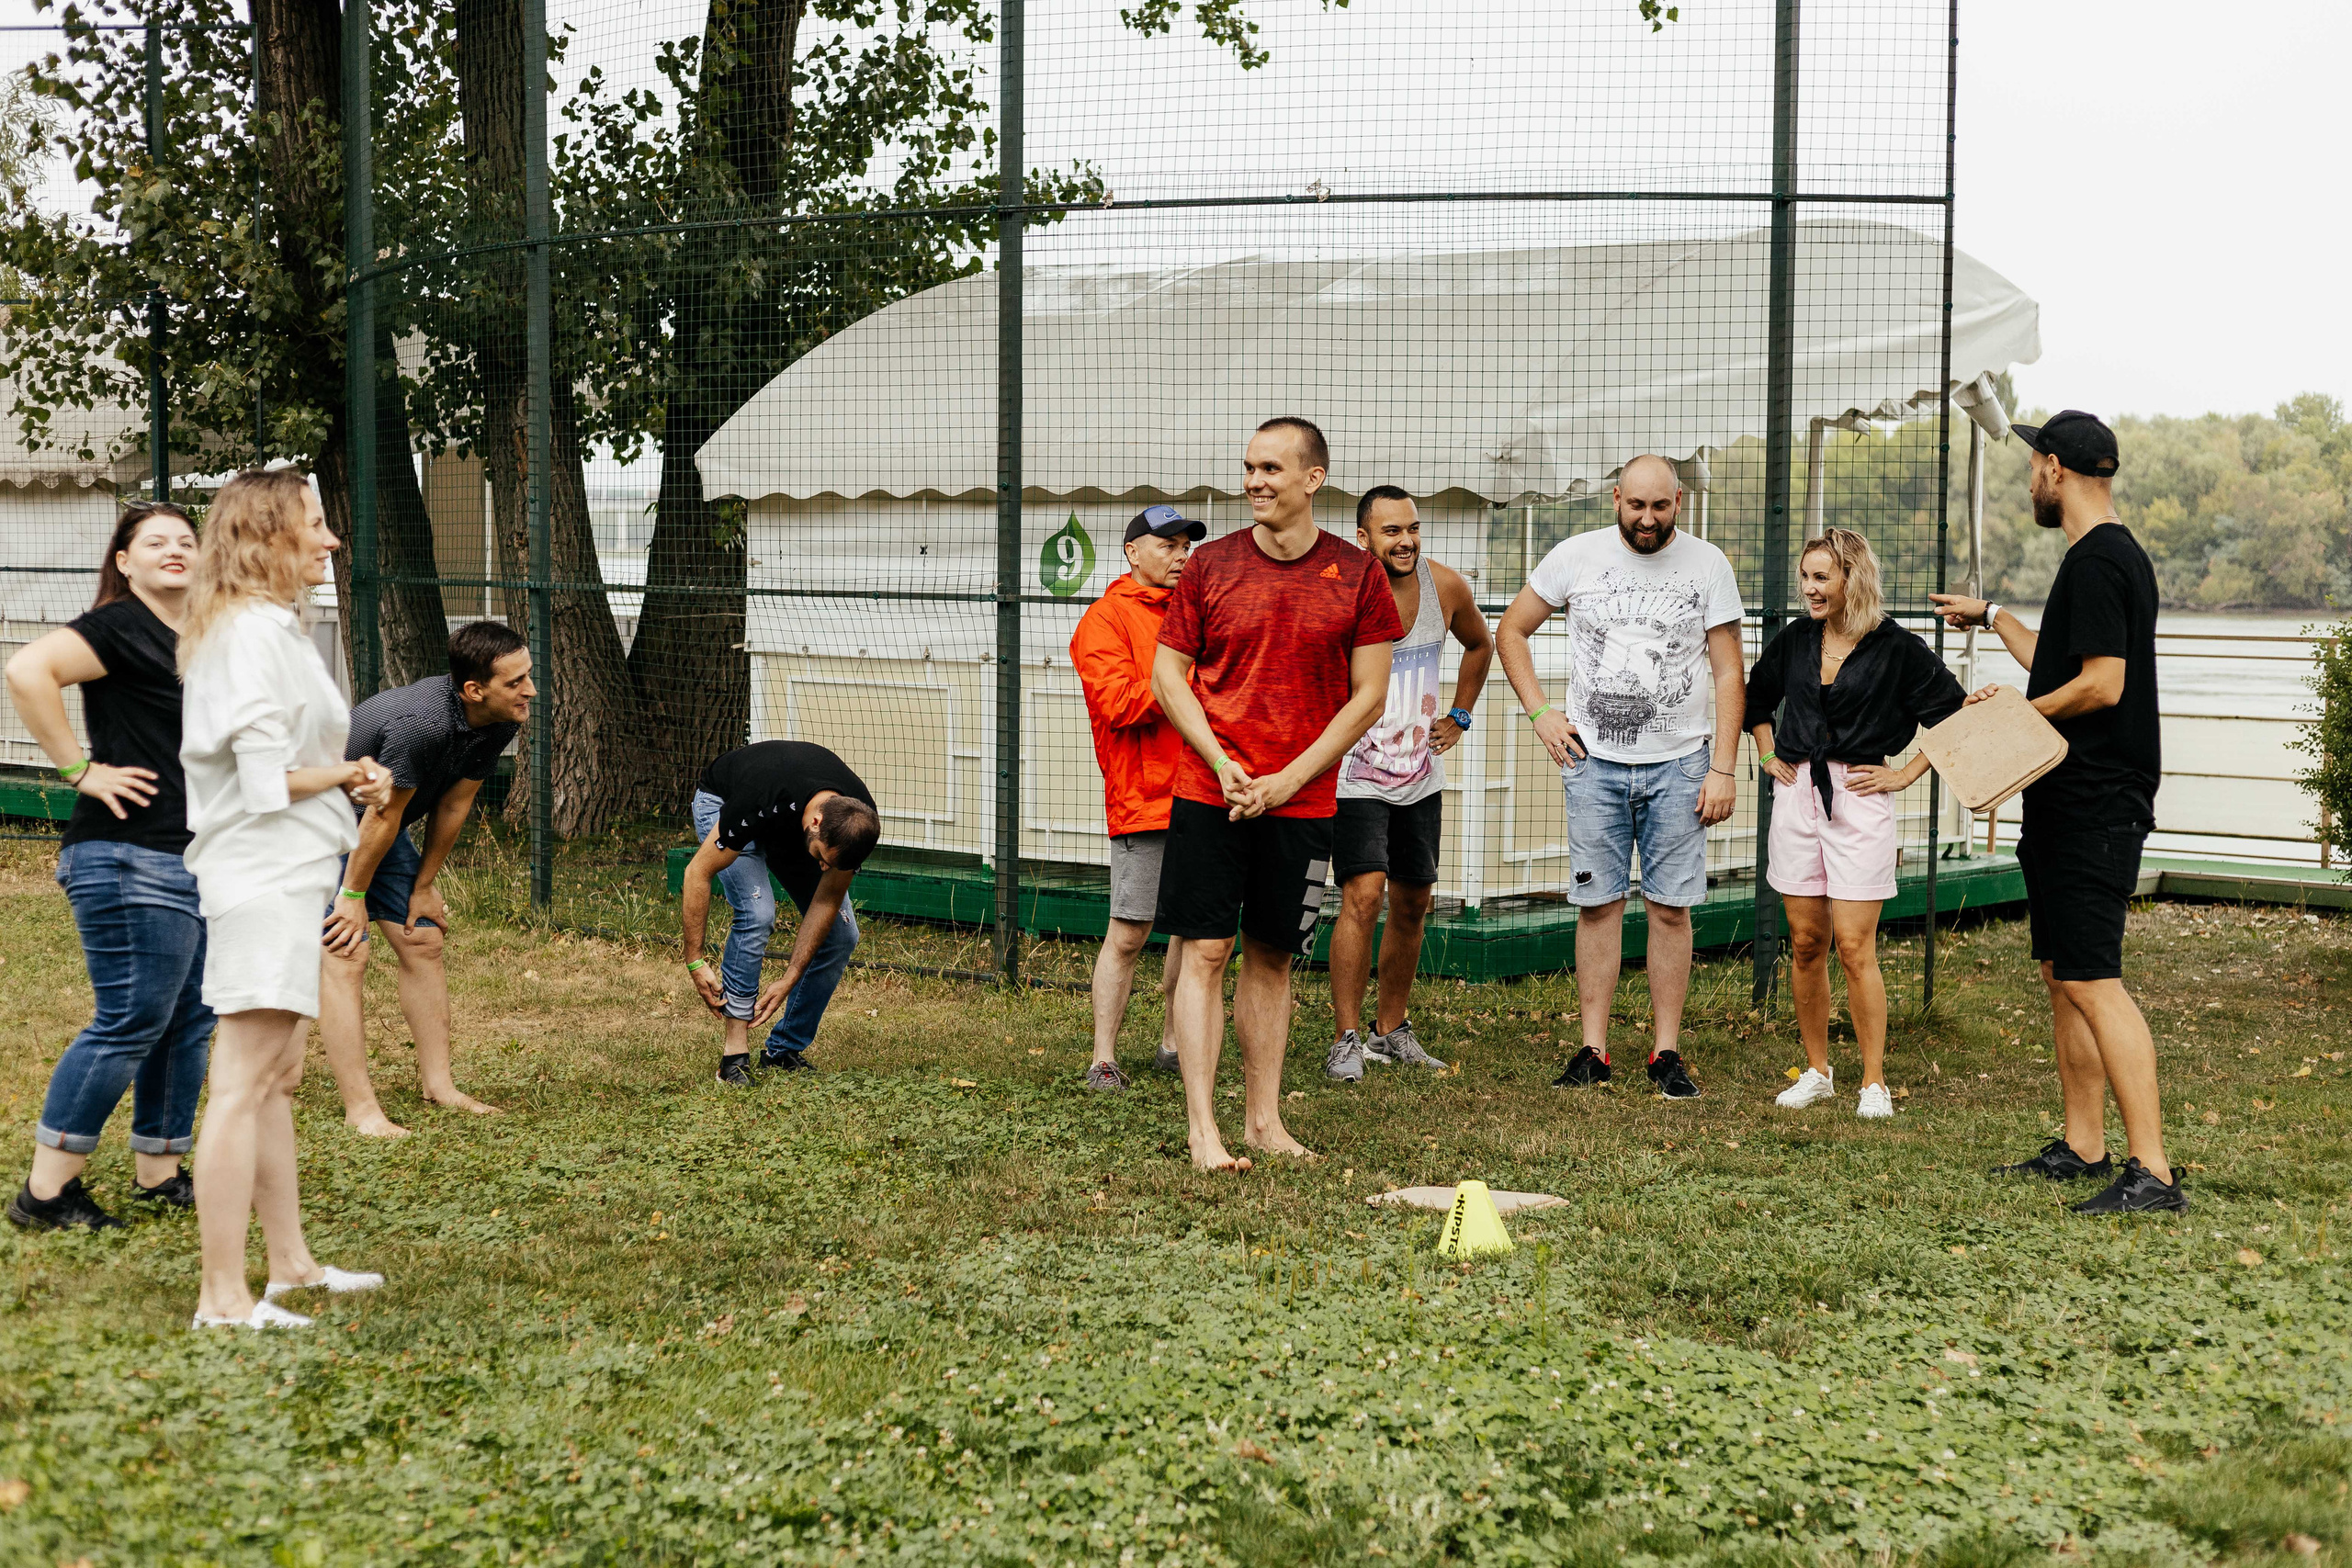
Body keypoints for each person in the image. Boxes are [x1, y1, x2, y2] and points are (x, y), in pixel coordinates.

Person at [1931, 410, 2181, 1214]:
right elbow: (2063, 661)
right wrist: (1993, 617)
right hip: (2068, 793)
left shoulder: (2103, 559)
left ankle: (2153, 1173)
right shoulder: (2095, 557)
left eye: (2032, 465)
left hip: (2099, 798)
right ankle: (2084, 1144)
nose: (2029, 479)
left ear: (2052, 467)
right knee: (2060, 973)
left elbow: (2102, 684)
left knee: (2094, 978)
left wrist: (2020, 709)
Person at [1150, 417, 1403, 1170]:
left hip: (1302, 801)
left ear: (1312, 479)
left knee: (1272, 956)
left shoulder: (1357, 576)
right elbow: (1169, 675)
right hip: (1210, 791)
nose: (1255, 481)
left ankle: (1264, 1121)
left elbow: (1370, 696)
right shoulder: (1210, 566)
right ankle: (1205, 1133)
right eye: (1250, 467)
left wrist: (1292, 777)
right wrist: (1221, 760)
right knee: (1205, 950)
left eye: (1271, 468)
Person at [177, 468, 391, 1328]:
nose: (331, 539)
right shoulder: (249, 636)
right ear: (268, 535)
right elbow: (265, 784)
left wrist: (347, 779)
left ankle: (291, 1266)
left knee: (272, 1078)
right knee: (240, 1080)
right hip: (262, 873)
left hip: (285, 870)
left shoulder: (267, 628)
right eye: (315, 521)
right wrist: (353, 771)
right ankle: (222, 1299)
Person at [1495, 454, 1745, 1100]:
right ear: (1615, 499)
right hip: (1592, 760)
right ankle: (1593, 1049)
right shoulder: (1575, 555)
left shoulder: (1708, 564)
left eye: (1660, 507)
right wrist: (1543, 713)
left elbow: (1726, 672)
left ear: (1679, 502)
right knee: (1598, 904)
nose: (1647, 519)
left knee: (1670, 908)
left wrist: (1723, 766)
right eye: (1636, 505)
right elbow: (1511, 630)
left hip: (1682, 761)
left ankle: (1666, 1053)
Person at [4, 503, 215, 1232]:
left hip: (188, 853)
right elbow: (28, 669)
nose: (175, 550)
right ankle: (45, 1194)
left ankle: (159, 1170)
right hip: (126, 854)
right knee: (130, 1018)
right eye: (155, 541)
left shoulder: (196, 636)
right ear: (123, 561)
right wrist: (79, 769)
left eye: (187, 540)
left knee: (187, 1017)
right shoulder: (121, 624)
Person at [1747, 527, 1963, 1119]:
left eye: (1822, 578)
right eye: (1806, 577)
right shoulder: (1796, 640)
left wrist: (1906, 774)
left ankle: (1874, 1082)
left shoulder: (1898, 648)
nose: (1809, 589)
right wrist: (1768, 754)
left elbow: (1955, 715)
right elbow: (1754, 699)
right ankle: (1817, 1071)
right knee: (1807, 942)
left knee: (1853, 946)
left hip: (1862, 796)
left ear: (1852, 579)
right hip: (1796, 795)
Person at [318, 621, 533, 1135]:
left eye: (529, 675)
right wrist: (351, 895)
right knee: (347, 951)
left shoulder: (500, 717)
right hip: (318, 824)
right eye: (515, 682)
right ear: (473, 690)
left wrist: (424, 884)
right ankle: (361, 1111)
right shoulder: (422, 723)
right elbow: (380, 816)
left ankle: (440, 1086)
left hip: (379, 825)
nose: (529, 690)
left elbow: (456, 801)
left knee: (423, 940)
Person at [1325, 486, 1494, 1082]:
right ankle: (1347, 1038)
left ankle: (1390, 1030)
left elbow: (1481, 643)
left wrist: (1461, 714)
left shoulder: (1444, 586)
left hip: (1421, 774)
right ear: (1363, 538)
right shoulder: (1340, 589)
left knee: (1413, 901)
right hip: (1355, 773)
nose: (1406, 541)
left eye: (1413, 528)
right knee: (1363, 895)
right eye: (1392, 531)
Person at [1069, 504, 1204, 1092]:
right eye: (1169, 545)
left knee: (1193, 930)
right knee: (1129, 931)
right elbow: (1119, 703)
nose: (1181, 556)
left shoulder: (1195, 612)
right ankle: (1104, 1059)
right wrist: (1186, 682)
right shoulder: (1103, 620)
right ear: (1132, 552)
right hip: (1144, 799)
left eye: (1186, 547)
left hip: (1206, 792)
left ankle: (1174, 1044)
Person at [681, 740, 883, 1085]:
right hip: (726, 803)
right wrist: (695, 960)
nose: (821, 868)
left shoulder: (854, 826)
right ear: (816, 822)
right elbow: (697, 873)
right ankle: (734, 1057)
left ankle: (783, 1049)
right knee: (757, 912)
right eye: (821, 857)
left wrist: (791, 976)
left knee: (842, 934)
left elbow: (826, 900)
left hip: (788, 827)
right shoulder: (758, 795)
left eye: (828, 863)